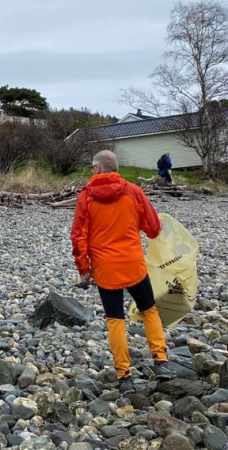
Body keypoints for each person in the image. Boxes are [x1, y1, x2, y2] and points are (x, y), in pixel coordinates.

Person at [70, 149, 174, 388]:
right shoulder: (134, 192)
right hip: (133, 263)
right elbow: (153, 228)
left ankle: (124, 373)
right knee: (149, 310)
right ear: (116, 168)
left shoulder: (86, 197)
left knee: (115, 319)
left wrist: (83, 267)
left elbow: (78, 237)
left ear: (97, 169)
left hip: (105, 268)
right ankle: (160, 359)